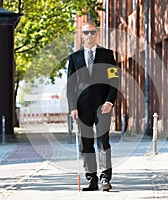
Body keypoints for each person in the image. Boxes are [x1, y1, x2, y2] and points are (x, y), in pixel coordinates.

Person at [67, 22, 119, 191]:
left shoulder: (107, 54)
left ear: (97, 34)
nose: (89, 35)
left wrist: (110, 101)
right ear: (81, 35)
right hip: (82, 108)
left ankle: (105, 179)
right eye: (86, 33)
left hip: (103, 105)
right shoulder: (74, 58)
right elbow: (70, 85)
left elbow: (114, 80)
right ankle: (92, 180)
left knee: (103, 142)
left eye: (92, 32)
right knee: (86, 143)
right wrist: (72, 107)